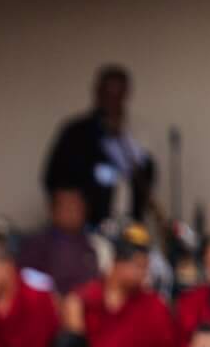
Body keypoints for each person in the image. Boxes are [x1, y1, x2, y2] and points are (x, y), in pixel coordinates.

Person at [68, 232, 183, 347]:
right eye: (137, 266)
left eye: (146, 268)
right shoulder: (84, 300)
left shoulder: (154, 305)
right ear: (116, 264)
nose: (143, 274)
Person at [43, 65, 154, 227]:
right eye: (108, 95)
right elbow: (55, 179)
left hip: (129, 222)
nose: (112, 101)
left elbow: (148, 177)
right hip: (87, 225)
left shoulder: (136, 132)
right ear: (97, 93)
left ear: (126, 95)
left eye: (118, 95)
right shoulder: (76, 133)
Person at [17, 188, 102, 298]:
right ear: (53, 211)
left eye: (77, 207)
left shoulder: (95, 244)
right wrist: (52, 291)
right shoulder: (36, 243)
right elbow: (25, 276)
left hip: (83, 304)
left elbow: (97, 280)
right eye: (67, 207)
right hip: (46, 302)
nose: (72, 212)